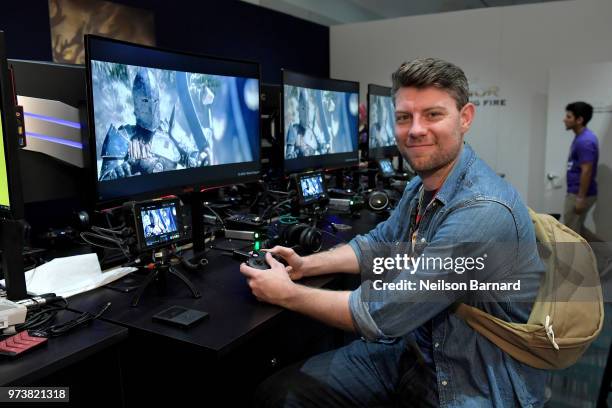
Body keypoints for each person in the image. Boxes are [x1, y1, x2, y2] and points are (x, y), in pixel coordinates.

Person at [240, 57, 548, 407]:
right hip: (416, 348)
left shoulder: (484, 210)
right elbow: (381, 245)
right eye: (404, 117)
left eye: (433, 115)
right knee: (279, 393)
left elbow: (383, 314)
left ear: (465, 118)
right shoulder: (423, 186)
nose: (415, 129)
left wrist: (286, 294)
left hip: (467, 379)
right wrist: (308, 266)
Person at [99, 67, 214, 180]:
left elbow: (192, 156)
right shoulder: (122, 136)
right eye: (145, 101)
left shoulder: (170, 130)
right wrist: (118, 174)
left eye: (155, 100)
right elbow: (105, 180)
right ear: (136, 102)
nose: (150, 107)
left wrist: (200, 159)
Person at [563, 101, 598, 235]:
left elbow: (587, 170)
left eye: (569, 117)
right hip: (576, 191)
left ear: (579, 120)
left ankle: (573, 257)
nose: (564, 119)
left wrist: (580, 198)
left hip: (578, 193)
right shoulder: (581, 137)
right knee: (577, 230)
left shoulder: (585, 141)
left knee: (570, 232)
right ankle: (606, 253)